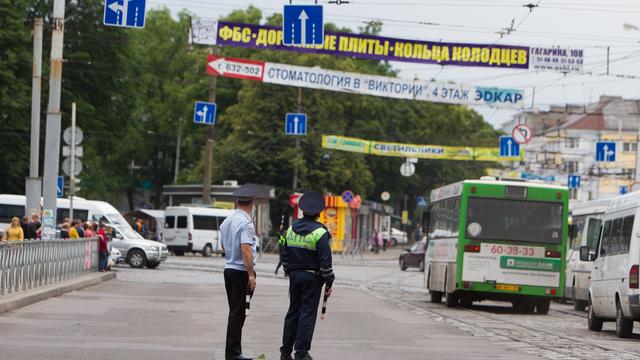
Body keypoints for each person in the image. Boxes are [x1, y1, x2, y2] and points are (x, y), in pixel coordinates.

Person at [280, 191, 334, 360]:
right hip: (312, 278)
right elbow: (325, 263)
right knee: (307, 315)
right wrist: (329, 281)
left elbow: (285, 257)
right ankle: (301, 353)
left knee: (292, 313)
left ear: (302, 212)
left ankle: (285, 352)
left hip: (294, 277)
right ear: (319, 214)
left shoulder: (290, 229)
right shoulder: (320, 232)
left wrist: (290, 272)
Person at [219, 183, 260, 360]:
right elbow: (246, 250)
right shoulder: (246, 223)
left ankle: (236, 350)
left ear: (238, 201)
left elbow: (223, 245)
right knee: (238, 313)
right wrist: (251, 275)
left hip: (229, 270)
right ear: (252, 203)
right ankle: (233, 353)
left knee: (236, 311)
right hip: (240, 272)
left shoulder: (227, 221)